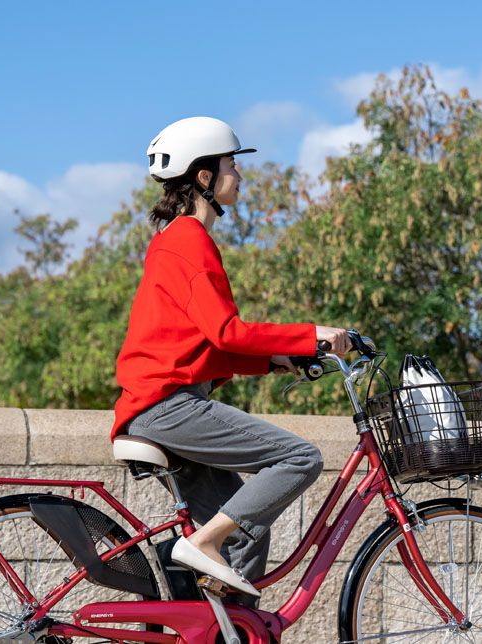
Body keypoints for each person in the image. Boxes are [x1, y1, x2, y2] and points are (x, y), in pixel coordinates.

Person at [112, 116, 350, 600]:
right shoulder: (188, 240)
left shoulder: (177, 241)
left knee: (245, 530)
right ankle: (200, 542)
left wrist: (274, 360)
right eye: (231, 166)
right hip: (168, 406)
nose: (240, 176)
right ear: (204, 177)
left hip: (161, 404)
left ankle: (222, 629)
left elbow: (208, 344)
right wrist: (312, 335)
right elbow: (228, 330)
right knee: (300, 457)